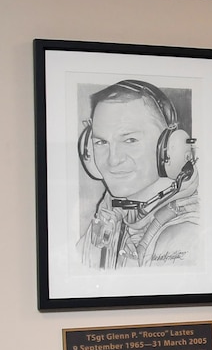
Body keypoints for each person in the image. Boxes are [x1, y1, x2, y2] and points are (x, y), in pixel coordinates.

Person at [78, 79, 199, 268]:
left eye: (130, 140)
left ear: (169, 148)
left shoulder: (188, 236)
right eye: (101, 142)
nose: (113, 160)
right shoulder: (109, 214)